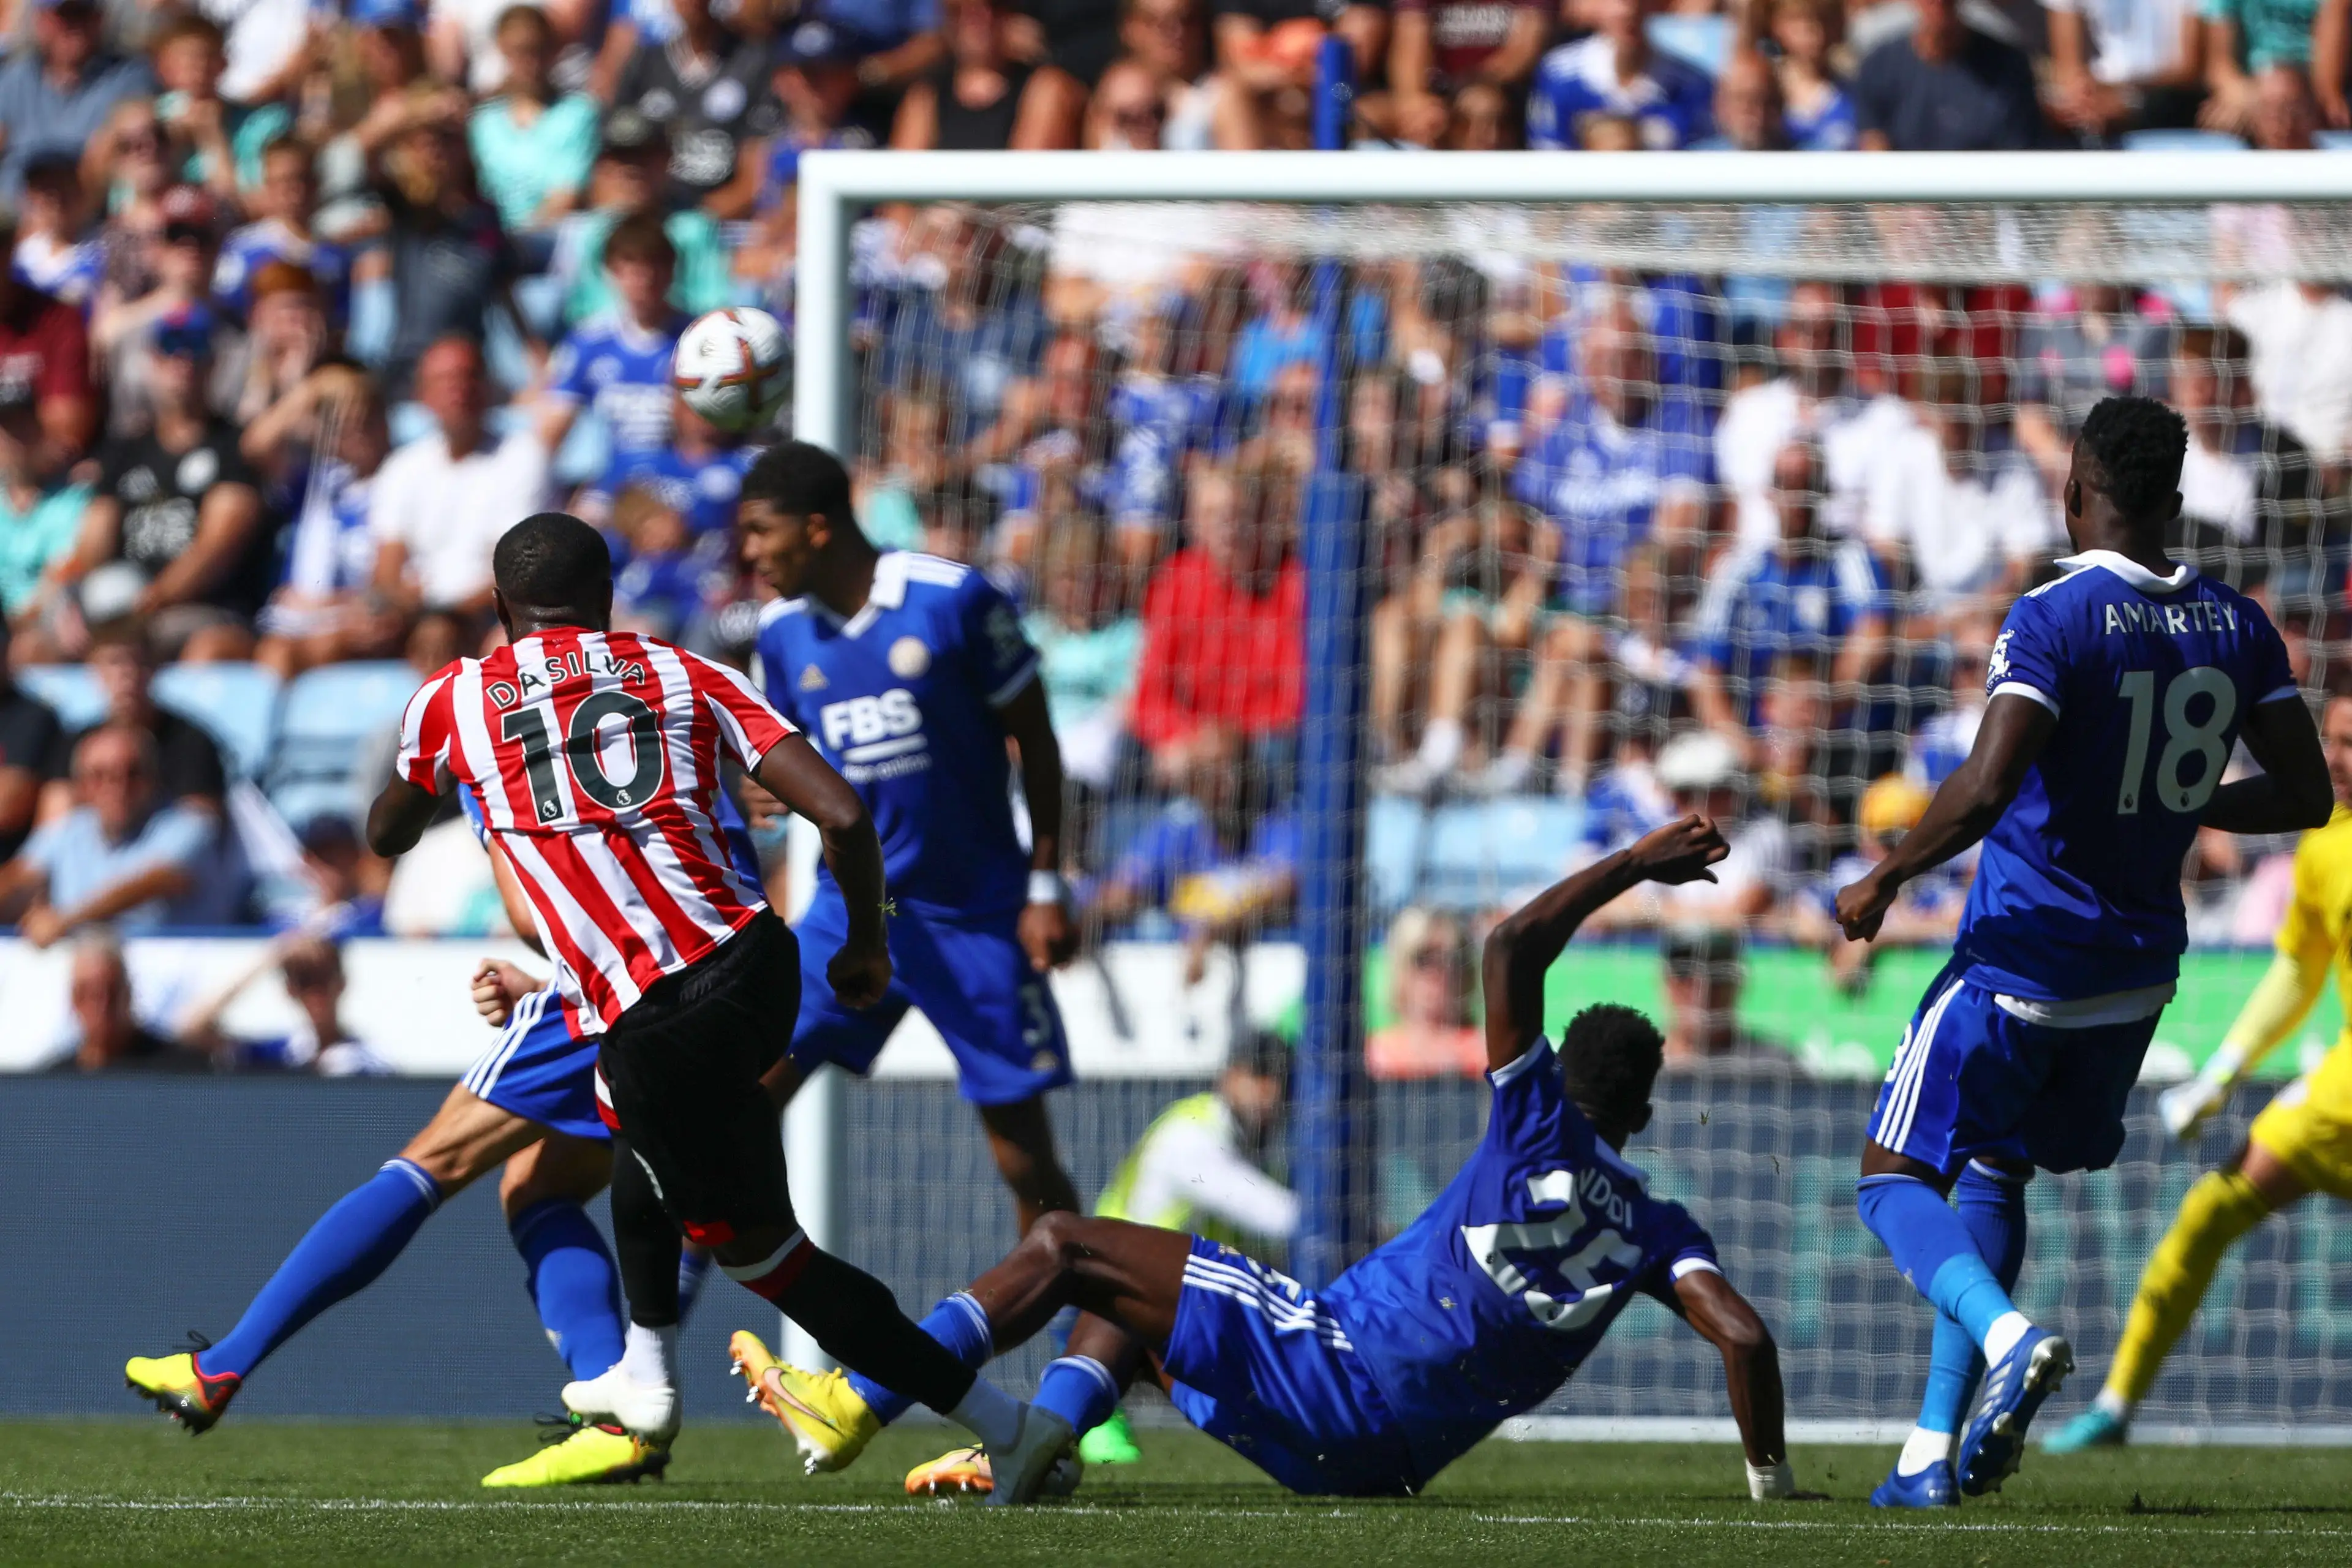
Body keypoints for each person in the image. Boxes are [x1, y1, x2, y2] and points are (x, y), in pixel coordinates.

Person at [733, 815, 1813, 1507]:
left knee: (1063, 1241)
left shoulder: (1533, 1121)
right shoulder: (1660, 1230)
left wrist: (1634, 863)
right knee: (1138, 1296)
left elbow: (1508, 947)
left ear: (1558, 1071)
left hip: (1338, 1372)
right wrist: (1768, 1481)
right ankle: (1039, 1449)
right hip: (1386, 1468)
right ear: (1646, 1111)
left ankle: (861, 1395)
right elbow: (1745, 1336)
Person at [363, 511, 1064, 1495]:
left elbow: (389, 830)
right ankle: (645, 1373)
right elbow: (844, 813)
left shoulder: (452, 703)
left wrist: (432, 789)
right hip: (755, 966)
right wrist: (865, 941)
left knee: (768, 1257)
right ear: (609, 598)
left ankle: (1009, 1429)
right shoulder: (682, 671)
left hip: (661, 1012)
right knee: (632, 1126)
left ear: (498, 609)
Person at [1831, 395, 2332, 1507]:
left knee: (1889, 1176)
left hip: (2023, 960)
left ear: (2075, 489)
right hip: (2140, 975)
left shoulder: (2053, 614)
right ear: (2173, 498)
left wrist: (1886, 875)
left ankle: (2010, 1337)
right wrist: (2178, 802)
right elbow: (2307, 793)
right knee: (1999, 1165)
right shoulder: (2239, 624)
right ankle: (1927, 1455)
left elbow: (1990, 781)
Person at [123, 786, 737, 1485]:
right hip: (716, 986)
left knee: (429, 1163)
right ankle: (617, 1416)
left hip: (611, 988)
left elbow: (532, 907)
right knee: (539, 1187)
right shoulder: (656, 701)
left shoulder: (487, 716)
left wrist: (553, 971)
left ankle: (222, 1366)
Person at [739, 442, 1085, 1235]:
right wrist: (762, 787)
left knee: (1023, 1161)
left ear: (817, 528)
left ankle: (1095, 1341)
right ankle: (659, 1337)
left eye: (762, 532)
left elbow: (1035, 735)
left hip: (975, 914)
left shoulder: (951, 600)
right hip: (852, 912)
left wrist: (1046, 881)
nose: (751, 555)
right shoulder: (783, 635)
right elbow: (796, 760)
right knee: (735, 1103)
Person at [2048, 688, 2352, 1453]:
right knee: (2207, 1212)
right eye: (2335, 740)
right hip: (2340, 1099)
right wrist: (2222, 1072)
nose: (2339, 757)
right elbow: (2297, 971)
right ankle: (2115, 1406)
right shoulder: (2323, 846)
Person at [1076, 1026, 1299, 1467]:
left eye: (1283, 1081)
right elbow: (1278, 1217)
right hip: (1113, 1301)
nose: (1271, 1092)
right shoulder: (1192, 1132)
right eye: (1259, 1075)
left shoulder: (1253, 1145)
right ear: (1229, 1077)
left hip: (1185, 1307)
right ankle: (1092, 1406)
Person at [0, 722, 227, 941]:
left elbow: (157, 880)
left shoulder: (190, 827)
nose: (118, 787)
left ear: (155, 779)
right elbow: (22, 879)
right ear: (81, 786)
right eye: (100, 776)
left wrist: (66, 920)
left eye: (133, 773)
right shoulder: (68, 830)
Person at [1853, 0, 2043, 151]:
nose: (1938, 5)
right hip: (1905, 193)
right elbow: (1873, 143)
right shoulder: (1880, 65)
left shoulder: (2007, 66)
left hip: (1982, 193)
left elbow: (2016, 151)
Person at [1527, 0, 1714, 151]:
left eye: (1639, 2)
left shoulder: (1691, 83)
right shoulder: (1559, 73)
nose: (1628, 11)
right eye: (1617, 2)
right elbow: (1549, 153)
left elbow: (1700, 159)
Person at [47, 933, 203, 1073]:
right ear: (74, 999)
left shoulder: (178, 1072)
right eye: (90, 995)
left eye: (111, 992)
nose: (102, 1006)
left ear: (128, 994)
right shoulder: (53, 1086)